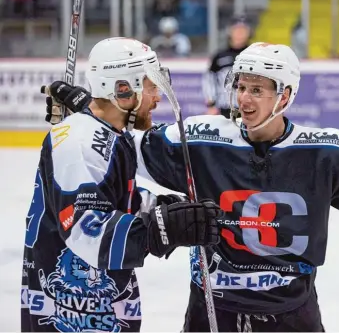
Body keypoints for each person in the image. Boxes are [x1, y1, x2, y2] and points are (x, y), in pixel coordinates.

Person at [43, 42, 339, 332]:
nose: (244, 100)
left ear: (285, 96)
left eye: (258, 90)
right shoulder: (200, 137)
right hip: (213, 311)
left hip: (292, 314)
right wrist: (88, 109)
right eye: (241, 87)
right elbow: (125, 146)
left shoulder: (324, 151)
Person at [23, 37, 222, 332]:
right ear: (123, 90)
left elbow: (114, 196)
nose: (157, 97)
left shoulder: (112, 133)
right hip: (71, 312)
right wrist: (161, 228)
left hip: (99, 305)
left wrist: (162, 207)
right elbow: (86, 231)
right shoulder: (81, 145)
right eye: (151, 86)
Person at [202, 15, 252, 118]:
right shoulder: (219, 56)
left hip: (249, 109)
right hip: (224, 110)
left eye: (243, 29)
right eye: (236, 29)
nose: (239, 33)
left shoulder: (255, 54)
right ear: (229, 31)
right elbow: (209, 80)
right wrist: (211, 105)